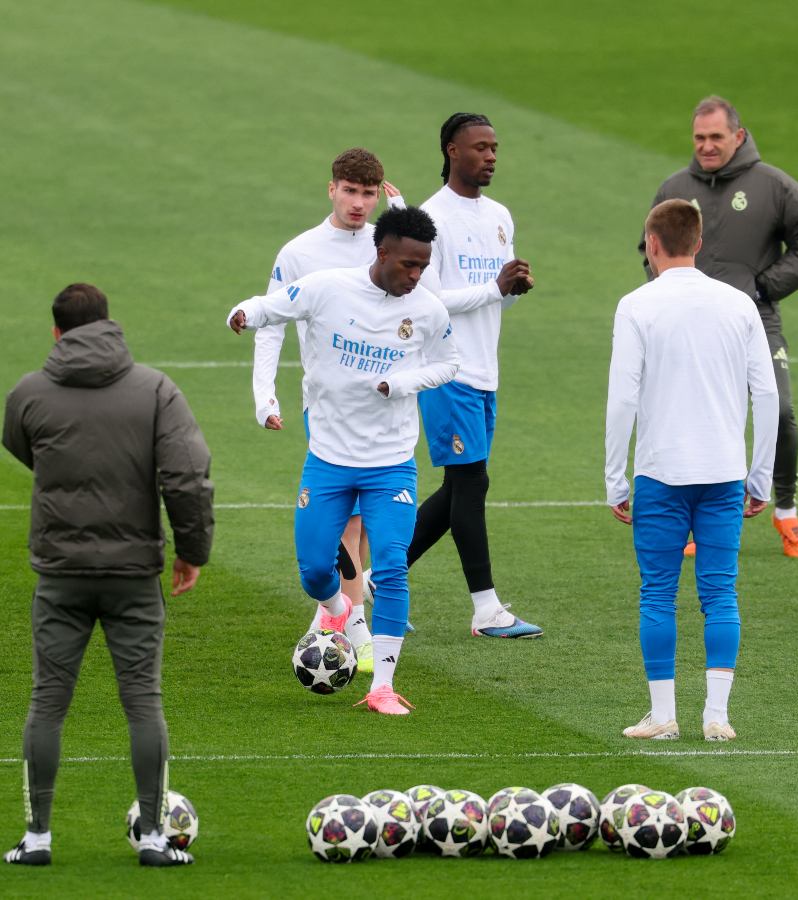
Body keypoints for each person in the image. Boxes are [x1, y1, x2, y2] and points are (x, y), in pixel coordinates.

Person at [3, 284, 214, 866]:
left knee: (48, 701)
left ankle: (37, 838)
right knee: (143, 702)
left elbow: (23, 446)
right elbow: (187, 476)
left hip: (60, 574)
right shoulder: (155, 390)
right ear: (109, 325)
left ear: (56, 332)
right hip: (133, 573)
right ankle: (153, 838)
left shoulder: (28, 393)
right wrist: (192, 550)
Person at [228, 206, 459, 714]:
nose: (416, 276)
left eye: (423, 266)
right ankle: (336, 609)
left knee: (392, 568)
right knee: (315, 570)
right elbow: (272, 306)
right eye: (409, 265)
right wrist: (242, 314)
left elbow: (448, 363)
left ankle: (383, 688)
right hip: (329, 458)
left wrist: (403, 382)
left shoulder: (428, 309)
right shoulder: (328, 287)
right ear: (382, 252)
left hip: (391, 463)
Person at [607, 199, 778, 740]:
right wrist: (761, 476)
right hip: (724, 472)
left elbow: (622, 398)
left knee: (658, 592)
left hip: (661, 473)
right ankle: (717, 717)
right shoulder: (739, 304)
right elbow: (767, 394)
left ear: (652, 244)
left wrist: (614, 478)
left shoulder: (636, 305)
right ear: (699, 243)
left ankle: (663, 716)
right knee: (720, 593)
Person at [643, 95, 798, 558]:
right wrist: (670, 295)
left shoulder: (774, 186)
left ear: (738, 136)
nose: (706, 146)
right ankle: (695, 521)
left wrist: (763, 288)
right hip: (688, 326)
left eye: (716, 137)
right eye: (699, 137)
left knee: (779, 410)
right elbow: (650, 250)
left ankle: (786, 511)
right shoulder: (675, 188)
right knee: (689, 415)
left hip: (755, 320)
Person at [254, 148, 404, 669]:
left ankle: (333, 615)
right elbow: (269, 322)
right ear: (332, 189)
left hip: (385, 405)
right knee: (347, 523)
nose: (359, 203)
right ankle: (355, 626)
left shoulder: (388, 244)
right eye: (350, 191)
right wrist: (264, 394)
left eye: (368, 193)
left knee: (360, 522)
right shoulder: (300, 252)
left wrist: (405, 221)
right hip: (326, 405)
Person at [403, 112, 542, 638]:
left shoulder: (500, 216)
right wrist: (495, 288)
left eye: (494, 148)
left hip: (485, 370)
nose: (490, 157)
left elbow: (495, 300)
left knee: (461, 486)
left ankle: (376, 578)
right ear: (451, 151)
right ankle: (486, 609)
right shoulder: (430, 218)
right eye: (480, 147)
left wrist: (513, 288)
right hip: (448, 370)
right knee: (471, 482)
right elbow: (430, 300)